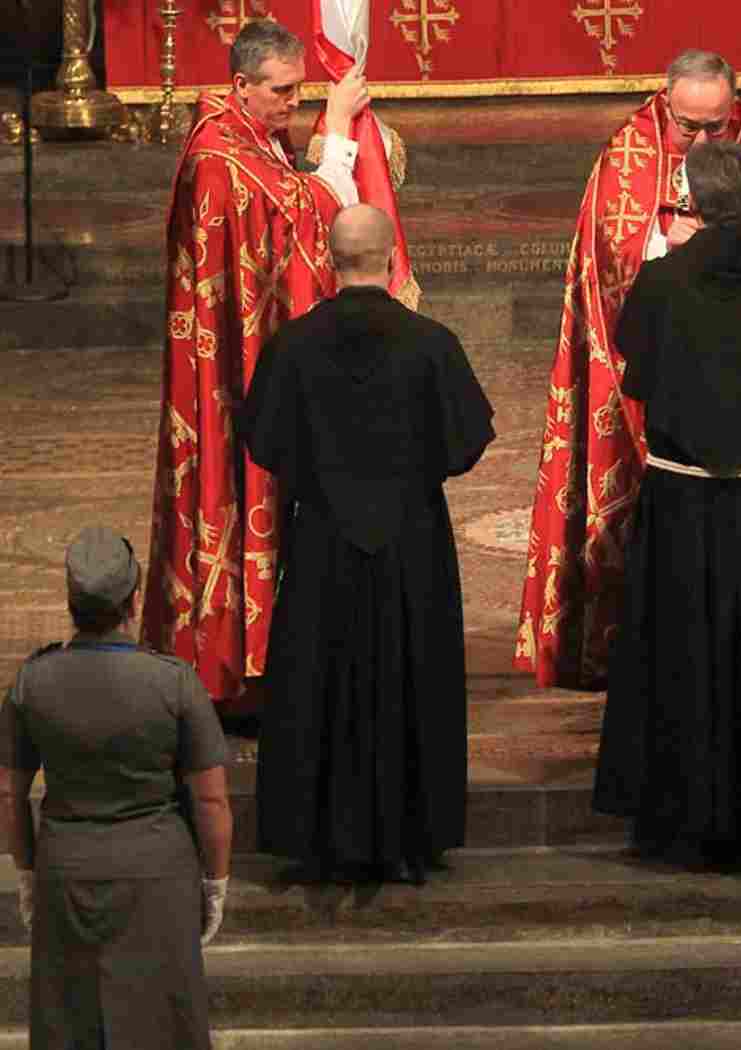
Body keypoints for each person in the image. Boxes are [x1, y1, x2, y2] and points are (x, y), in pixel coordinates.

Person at [514, 48, 741, 690]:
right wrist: (660, 248)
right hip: (666, 381)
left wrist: (704, 248)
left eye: (715, 127)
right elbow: (608, 258)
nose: (702, 142)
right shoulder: (625, 154)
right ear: (665, 103)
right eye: (688, 127)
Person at [591, 142, 741, 870]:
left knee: (682, 653)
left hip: (685, 500)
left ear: (692, 203)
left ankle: (678, 816)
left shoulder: (661, 281)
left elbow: (637, 378)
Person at [243, 204, 495, 884]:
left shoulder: (293, 345)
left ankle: (319, 836)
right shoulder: (431, 343)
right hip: (412, 542)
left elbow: (263, 441)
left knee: (320, 682)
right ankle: (413, 834)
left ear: (330, 259)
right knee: (412, 678)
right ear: (391, 256)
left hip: (323, 540)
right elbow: (467, 443)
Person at [142, 19, 376, 728]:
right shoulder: (217, 157)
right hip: (224, 374)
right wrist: (338, 131)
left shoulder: (250, 134)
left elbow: (284, 200)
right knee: (232, 485)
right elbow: (302, 216)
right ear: (241, 85)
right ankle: (226, 668)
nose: (293, 103)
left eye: (299, 90)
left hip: (252, 357)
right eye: (281, 92)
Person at [0, 527, 232, 1050]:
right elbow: (212, 799)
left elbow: (9, 794)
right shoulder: (174, 682)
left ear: (71, 602)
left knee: (71, 1027)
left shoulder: (31, 682)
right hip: (158, 879)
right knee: (163, 1030)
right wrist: (215, 884)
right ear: (134, 599)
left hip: (67, 876)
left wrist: (28, 873)